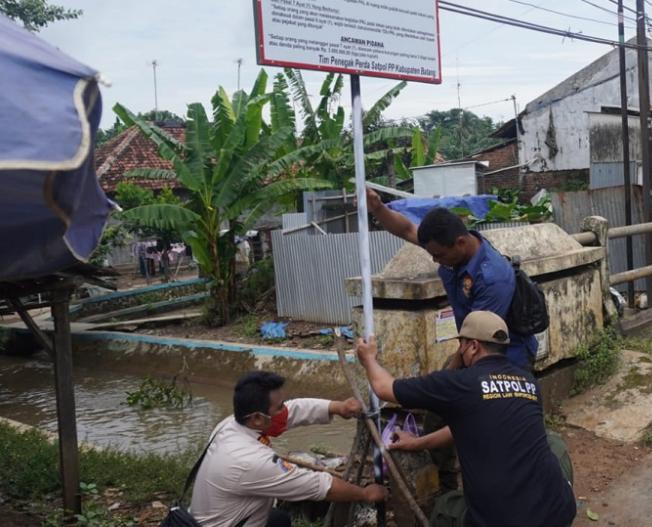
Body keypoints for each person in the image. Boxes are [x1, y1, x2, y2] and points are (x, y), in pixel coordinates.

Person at [356, 310, 576, 527]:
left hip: (505, 521)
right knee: (553, 442)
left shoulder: (460, 384)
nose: (459, 351)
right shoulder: (529, 382)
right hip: (558, 512)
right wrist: (417, 442)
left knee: (445, 507)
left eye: (461, 345)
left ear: (473, 346)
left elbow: (384, 388)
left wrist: (368, 359)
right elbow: (468, 425)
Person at [189, 371, 387, 527]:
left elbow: (294, 410)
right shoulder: (249, 461)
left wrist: (337, 407)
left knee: (278, 519)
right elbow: (318, 485)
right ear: (257, 418)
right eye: (279, 407)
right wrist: (365, 494)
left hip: (210, 518)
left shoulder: (230, 425)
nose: (285, 410)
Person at [366, 189, 537, 370]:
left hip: (507, 358)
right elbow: (407, 229)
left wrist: (445, 378)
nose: (435, 260)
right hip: (473, 349)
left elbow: (477, 338)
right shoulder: (449, 248)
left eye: (438, 255)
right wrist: (378, 208)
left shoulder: (492, 278)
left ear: (461, 243)